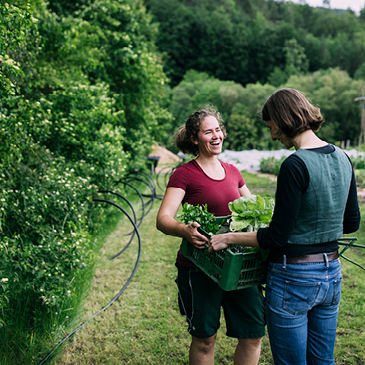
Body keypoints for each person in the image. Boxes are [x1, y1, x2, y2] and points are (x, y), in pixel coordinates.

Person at [209, 88, 361, 365]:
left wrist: (229, 238)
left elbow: (276, 237)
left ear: (283, 119)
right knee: (323, 361)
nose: (273, 136)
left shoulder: (295, 164)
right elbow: (352, 222)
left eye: (271, 127)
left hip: (294, 277)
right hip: (331, 274)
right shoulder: (343, 157)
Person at [156, 106, 265, 365]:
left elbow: (254, 211)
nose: (216, 135)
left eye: (218, 130)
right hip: (200, 267)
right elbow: (163, 219)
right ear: (195, 139)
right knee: (205, 339)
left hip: (239, 266)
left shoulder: (234, 172)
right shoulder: (184, 174)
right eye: (208, 132)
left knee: (253, 334)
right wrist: (184, 230)